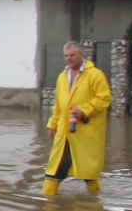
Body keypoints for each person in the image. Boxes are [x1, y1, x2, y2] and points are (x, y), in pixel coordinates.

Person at [43, 41, 112, 195]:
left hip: (86, 133)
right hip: (64, 132)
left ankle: (93, 201)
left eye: (72, 55)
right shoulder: (62, 77)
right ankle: (47, 204)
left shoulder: (95, 75)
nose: (69, 58)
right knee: (54, 170)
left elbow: (104, 99)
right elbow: (59, 104)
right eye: (66, 56)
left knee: (88, 173)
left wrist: (84, 110)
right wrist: (53, 124)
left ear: (82, 54)